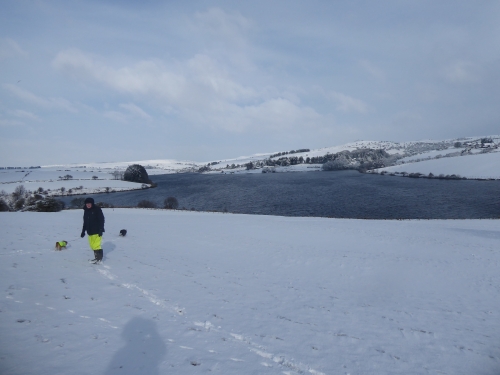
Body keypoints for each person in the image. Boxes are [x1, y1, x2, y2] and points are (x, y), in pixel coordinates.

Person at [81, 197, 105, 264]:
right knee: (92, 245)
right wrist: (83, 231)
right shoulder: (86, 211)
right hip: (89, 231)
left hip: (97, 231)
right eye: (87, 203)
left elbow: (101, 220)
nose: (88, 205)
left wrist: (101, 229)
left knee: (96, 245)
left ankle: (99, 259)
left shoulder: (97, 209)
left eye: (89, 203)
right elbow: (85, 222)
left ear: (92, 203)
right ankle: (96, 258)